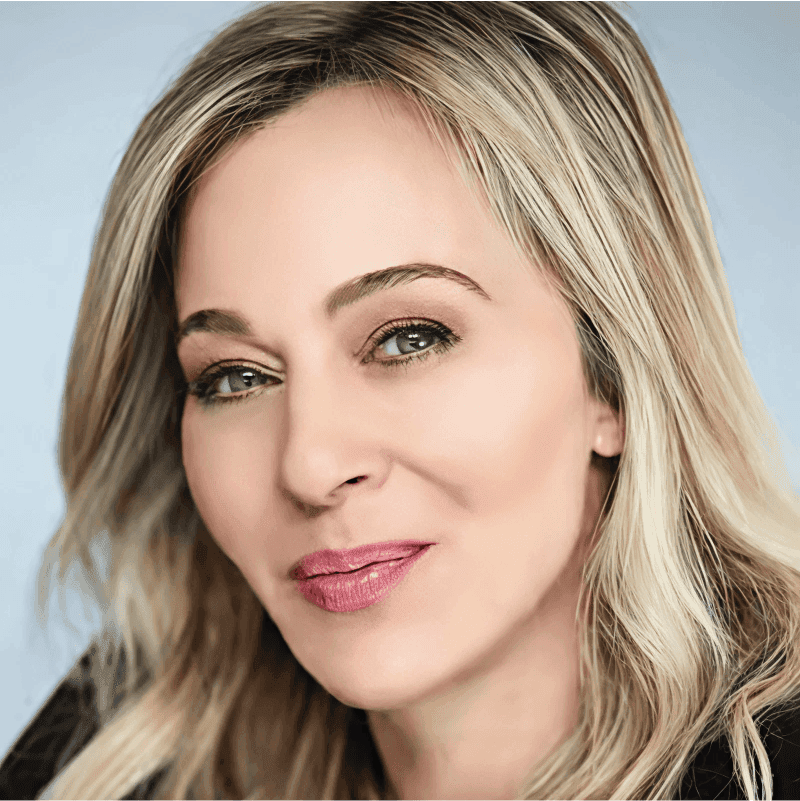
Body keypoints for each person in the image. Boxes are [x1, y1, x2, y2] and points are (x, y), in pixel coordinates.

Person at [2, 2, 800, 800]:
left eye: (408, 338)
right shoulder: (117, 758)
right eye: (236, 377)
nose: (310, 464)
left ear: (613, 372)